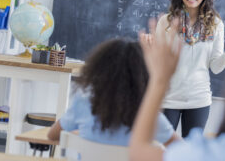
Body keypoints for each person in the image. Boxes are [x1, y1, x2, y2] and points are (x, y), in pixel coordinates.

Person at [130, 23, 225, 160]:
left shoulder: (218, 152)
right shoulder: (166, 22)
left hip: (198, 99)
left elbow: (139, 153)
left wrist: (159, 80)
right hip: (171, 98)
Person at [155, 0, 225, 137]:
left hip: (198, 99)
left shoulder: (215, 24)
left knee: (192, 151)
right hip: (168, 97)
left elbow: (215, 67)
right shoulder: (166, 22)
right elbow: (158, 63)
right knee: (163, 149)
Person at [48, 38, 179, 146]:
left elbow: (52, 135)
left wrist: (79, 134)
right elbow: (181, 149)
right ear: (145, 76)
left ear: (98, 71)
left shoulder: (82, 104)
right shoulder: (150, 117)